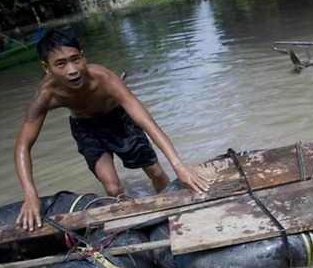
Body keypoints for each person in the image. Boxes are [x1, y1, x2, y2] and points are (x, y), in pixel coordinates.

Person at [14, 29, 210, 231]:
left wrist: (179, 166)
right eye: (60, 64)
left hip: (119, 120)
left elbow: (146, 122)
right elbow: (23, 145)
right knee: (112, 187)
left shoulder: (104, 79)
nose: (72, 70)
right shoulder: (45, 95)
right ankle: (130, 227)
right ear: (47, 68)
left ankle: (171, 212)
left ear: (83, 56)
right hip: (86, 129)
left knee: (157, 172)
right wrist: (30, 194)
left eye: (75, 59)